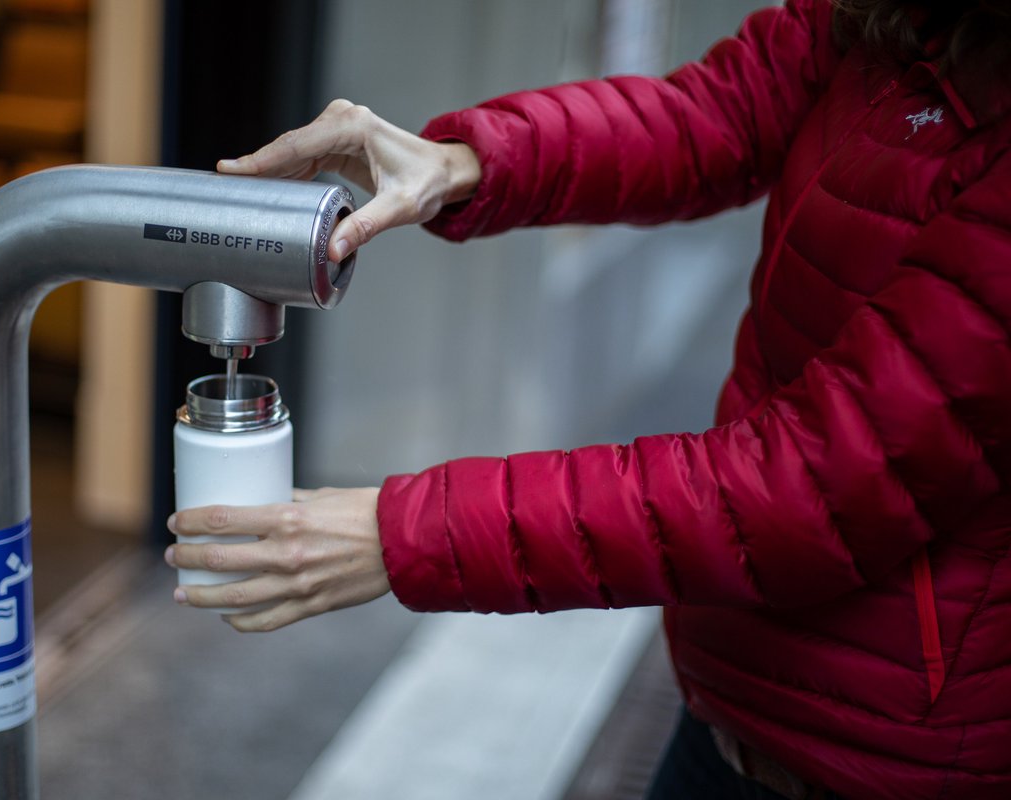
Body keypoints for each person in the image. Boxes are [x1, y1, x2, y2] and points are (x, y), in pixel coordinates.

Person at [164, 1, 1011, 797]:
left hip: (885, 757)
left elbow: (810, 487)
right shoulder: (886, 17)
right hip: (737, 687)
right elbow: (712, 116)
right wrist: (462, 161)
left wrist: (406, 534)